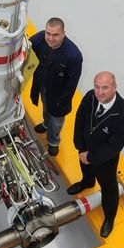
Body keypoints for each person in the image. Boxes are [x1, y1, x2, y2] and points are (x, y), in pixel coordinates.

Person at [67, 71, 124, 238]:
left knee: (108, 188)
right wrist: (81, 147)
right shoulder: (91, 97)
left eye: (105, 88)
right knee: (86, 169)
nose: (100, 92)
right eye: (97, 87)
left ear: (114, 87)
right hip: (85, 150)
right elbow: (80, 118)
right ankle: (87, 182)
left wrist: (91, 157)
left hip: (105, 161)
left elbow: (114, 146)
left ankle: (109, 218)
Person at [30, 18, 83, 156]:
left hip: (60, 95)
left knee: (56, 120)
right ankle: (45, 124)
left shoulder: (73, 56)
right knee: (45, 107)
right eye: (48, 33)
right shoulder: (41, 38)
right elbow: (26, 45)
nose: (50, 38)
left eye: (55, 35)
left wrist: (62, 101)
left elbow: (72, 84)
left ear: (63, 34)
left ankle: (53, 141)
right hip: (43, 85)